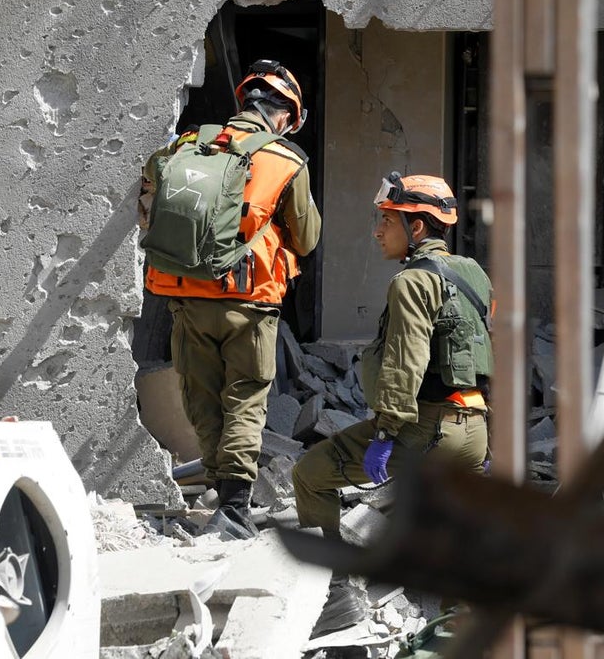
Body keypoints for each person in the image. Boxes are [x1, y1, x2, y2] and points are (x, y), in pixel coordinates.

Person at [292, 172, 491, 632]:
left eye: (386, 220)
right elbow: (482, 354)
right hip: (473, 426)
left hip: (425, 429)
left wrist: (385, 433)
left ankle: (335, 597)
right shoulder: (474, 275)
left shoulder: (411, 283)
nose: (377, 231)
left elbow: (406, 361)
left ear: (416, 227)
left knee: (311, 475)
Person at [140, 60, 322, 539]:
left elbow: (152, 189)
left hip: (186, 296)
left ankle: (221, 494)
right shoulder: (286, 159)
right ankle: (236, 509)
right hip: (248, 301)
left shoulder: (187, 145)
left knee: (202, 398)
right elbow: (307, 240)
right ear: (285, 116)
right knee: (244, 398)